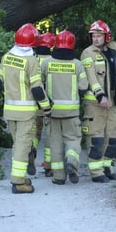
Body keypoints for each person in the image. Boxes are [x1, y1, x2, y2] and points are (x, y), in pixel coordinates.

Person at [0, 23, 52, 193]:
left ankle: (20, 175)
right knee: (23, 145)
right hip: (26, 113)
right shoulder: (31, 61)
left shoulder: (6, 57)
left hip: (9, 110)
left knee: (18, 144)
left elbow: (0, 82)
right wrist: (47, 107)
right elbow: (37, 89)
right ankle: (18, 182)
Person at [80, 19, 116, 183]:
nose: (95, 39)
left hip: (112, 103)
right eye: (93, 36)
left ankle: (108, 167)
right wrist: (100, 95)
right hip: (95, 104)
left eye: (99, 36)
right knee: (96, 139)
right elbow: (91, 76)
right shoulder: (88, 53)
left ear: (106, 37)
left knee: (113, 138)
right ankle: (96, 172)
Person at [41, 30, 88, 185]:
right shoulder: (77, 65)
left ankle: (59, 177)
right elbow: (84, 87)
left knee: (55, 144)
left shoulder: (47, 63)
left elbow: (38, 85)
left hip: (52, 112)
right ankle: (72, 160)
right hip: (71, 113)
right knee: (73, 139)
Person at [30, 31, 56, 176]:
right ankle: (48, 166)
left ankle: (32, 149)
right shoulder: (53, 61)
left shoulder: (32, 59)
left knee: (35, 133)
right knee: (50, 136)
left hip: (32, 105)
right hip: (47, 105)